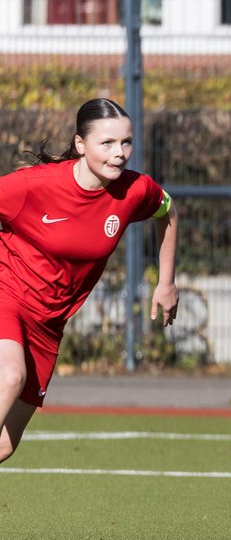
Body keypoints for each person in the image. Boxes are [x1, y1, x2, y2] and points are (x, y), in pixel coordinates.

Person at [0, 98, 178, 464]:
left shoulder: (134, 190)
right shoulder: (33, 186)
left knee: (4, 444)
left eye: (126, 142)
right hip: (8, 295)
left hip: (48, 325)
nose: (120, 153)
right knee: (10, 375)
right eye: (107, 143)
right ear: (80, 144)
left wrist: (166, 282)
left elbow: (168, 211)